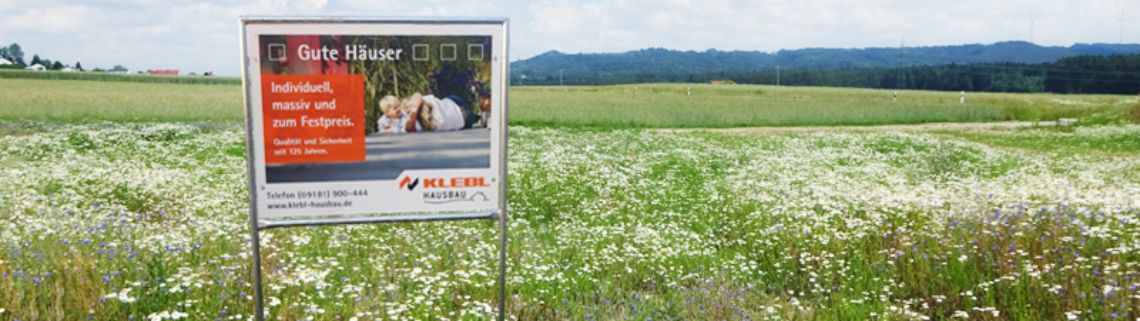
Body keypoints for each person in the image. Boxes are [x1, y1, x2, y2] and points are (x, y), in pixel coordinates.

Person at [402, 92, 481, 132]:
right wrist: (414, 111)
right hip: (456, 104)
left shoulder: (422, 126)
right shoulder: (425, 101)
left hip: (465, 121)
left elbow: (409, 129)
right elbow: (417, 95)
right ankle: (478, 116)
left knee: (473, 117)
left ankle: (477, 116)